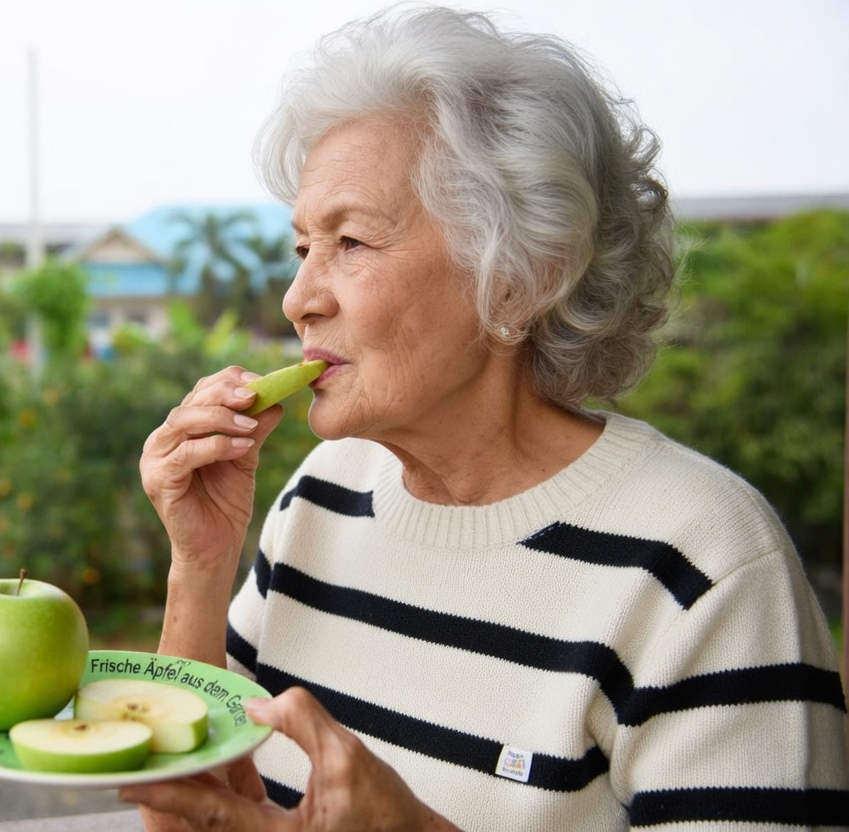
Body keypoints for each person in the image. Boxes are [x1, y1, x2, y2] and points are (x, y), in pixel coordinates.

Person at [123, 5, 849, 830]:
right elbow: (184, 817)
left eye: (352, 242)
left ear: (517, 277)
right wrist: (200, 566)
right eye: (302, 249)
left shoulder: (703, 563)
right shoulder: (322, 494)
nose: (298, 299)